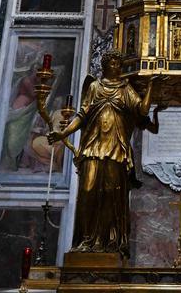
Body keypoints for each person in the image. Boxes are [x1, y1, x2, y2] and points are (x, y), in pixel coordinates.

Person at [47, 50, 158, 258]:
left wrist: (151, 86)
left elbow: (142, 111)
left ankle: (108, 243)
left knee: (111, 193)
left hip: (116, 148)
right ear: (105, 65)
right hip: (93, 146)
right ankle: (85, 241)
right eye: (113, 63)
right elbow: (81, 115)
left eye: (118, 64)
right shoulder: (95, 87)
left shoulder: (125, 88)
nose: (116, 67)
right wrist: (63, 133)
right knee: (87, 191)